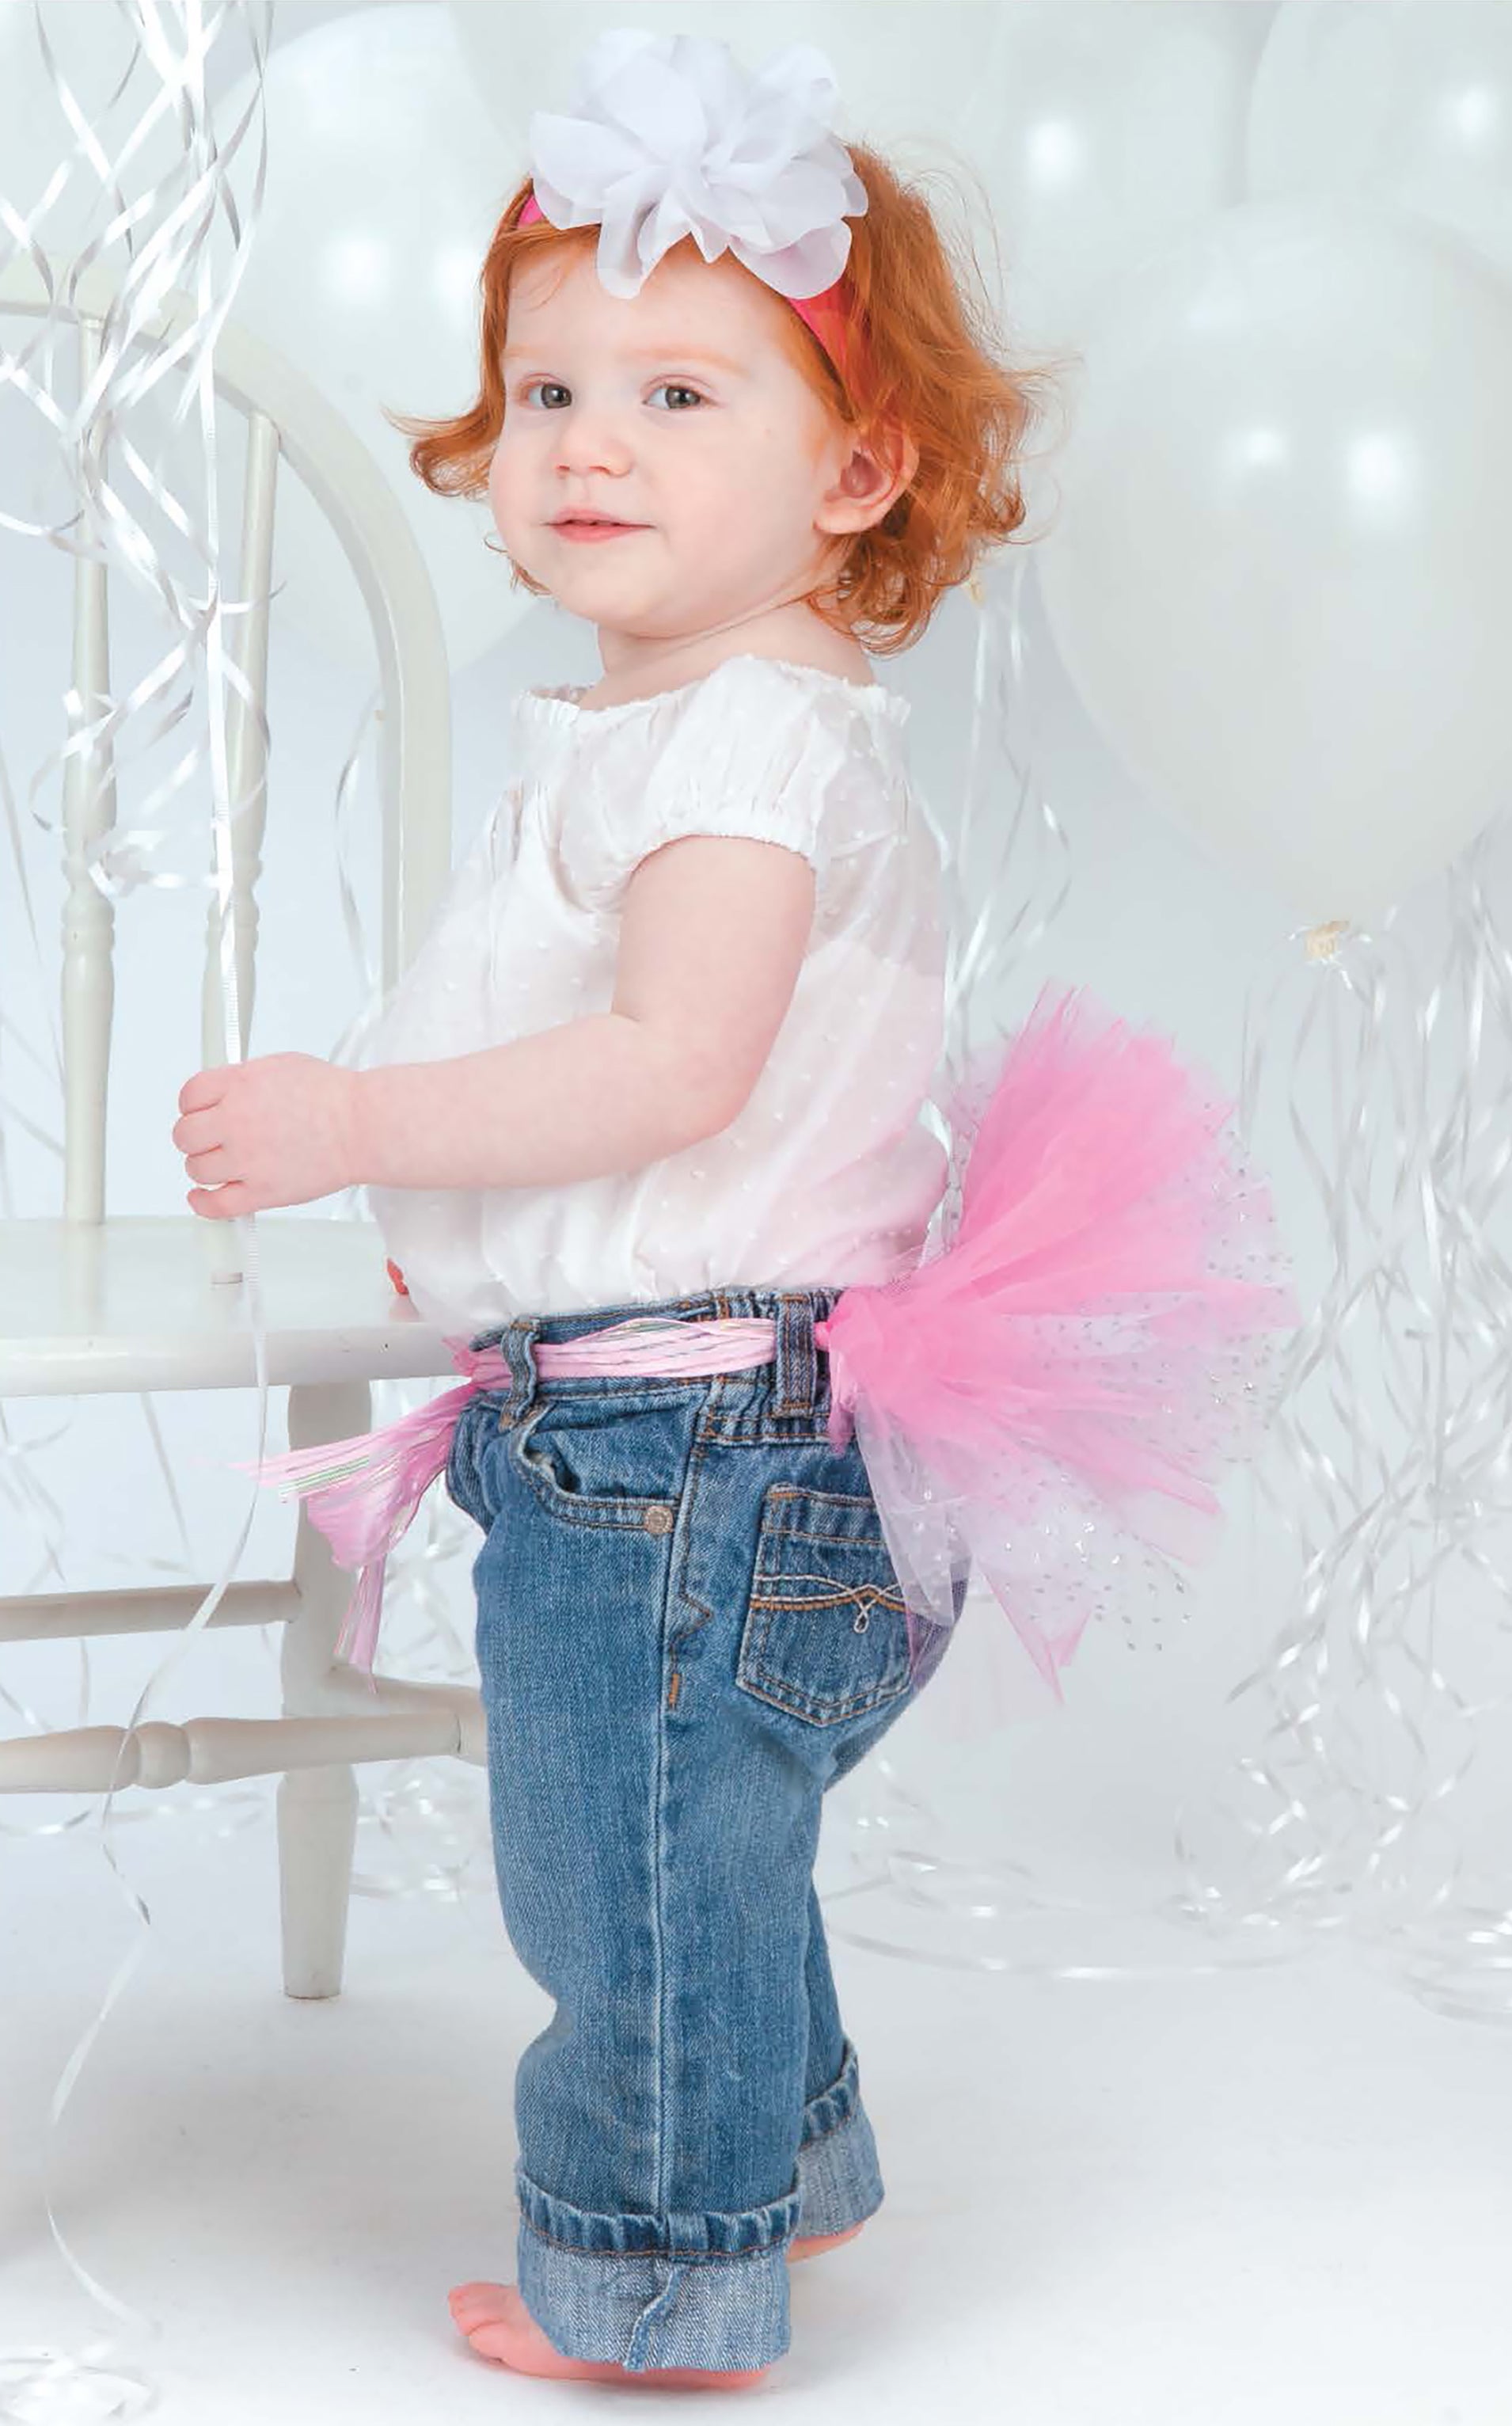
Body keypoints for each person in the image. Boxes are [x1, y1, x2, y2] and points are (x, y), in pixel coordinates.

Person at [183, 29, 1297, 2391]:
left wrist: (351, 1119)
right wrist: (474, 1259)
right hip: (684, 1425)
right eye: (551, 384)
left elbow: (667, 1066)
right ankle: (772, 2176)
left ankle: (667, 2281)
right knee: (705, 1840)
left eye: (684, 396)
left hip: (692, 1463)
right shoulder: (668, 725)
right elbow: (685, 1102)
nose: (589, 440)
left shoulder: (748, 742)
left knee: (630, 1876)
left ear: (856, 472)